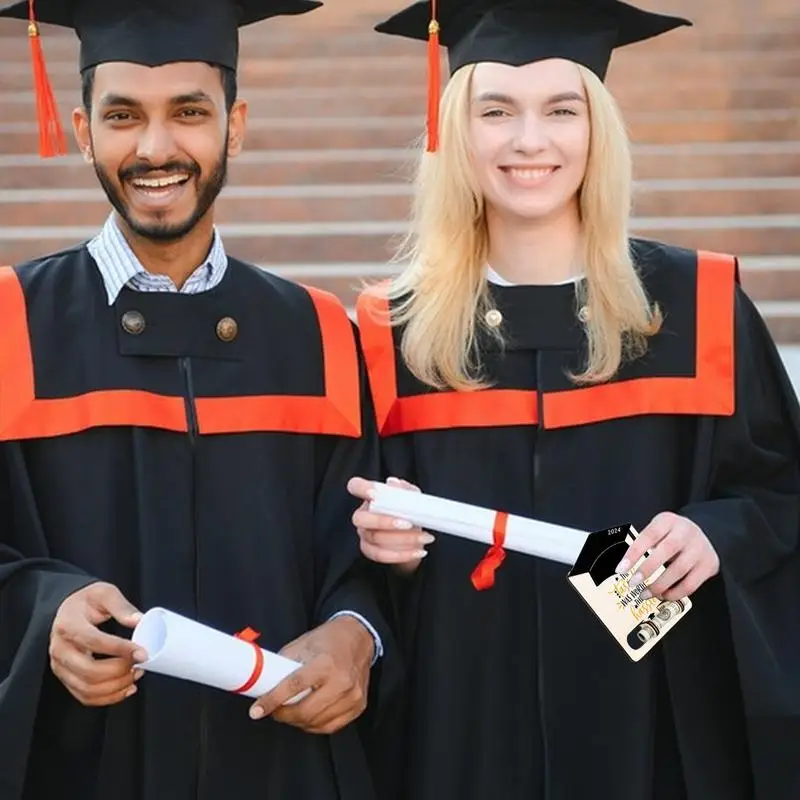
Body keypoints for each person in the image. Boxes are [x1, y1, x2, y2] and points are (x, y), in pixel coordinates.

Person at [347, 1, 800, 798]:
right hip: (459, 734)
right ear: (457, 130)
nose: (530, 141)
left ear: (599, 130)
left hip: (653, 725)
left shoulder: (698, 308)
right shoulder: (394, 335)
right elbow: (329, 560)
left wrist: (715, 532)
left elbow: (782, 493)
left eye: (562, 109)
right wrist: (376, 545)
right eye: (496, 111)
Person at [0, 1, 396, 799]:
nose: (155, 148)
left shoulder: (318, 334)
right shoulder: (10, 325)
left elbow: (362, 554)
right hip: (81, 768)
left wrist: (357, 637)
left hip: (278, 768)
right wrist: (47, 612)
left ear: (234, 126)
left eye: (189, 112)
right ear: (82, 131)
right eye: (122, 117)